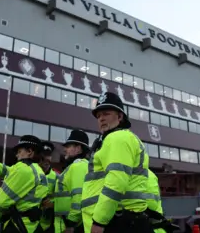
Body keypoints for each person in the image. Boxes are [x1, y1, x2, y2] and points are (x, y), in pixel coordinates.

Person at [81, 92, 152, 233]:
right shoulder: (120, 138)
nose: (101, 119)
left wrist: (99, 221)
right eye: (98, 116)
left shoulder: (117, 138)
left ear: (120, 116)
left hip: (116, 222)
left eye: (106, 114)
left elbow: (116, 182)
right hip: (124, 220)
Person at [0, 135, 49, 233]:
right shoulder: (38, 171)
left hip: (17, 225)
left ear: (29, 152)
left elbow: (1, 203)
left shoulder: (24, 169)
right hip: (31, 225)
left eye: (19, 151)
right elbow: (7, 170)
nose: (16, 155)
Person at [54, 129, 90, 233]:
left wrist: (71, 223)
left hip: (70, 227)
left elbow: (79, 197)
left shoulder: (78, 166)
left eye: (68, 146)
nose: (65, 149)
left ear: (78, 149)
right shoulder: (79, 166)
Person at [39, 141, 58, 233]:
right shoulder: (30, 173)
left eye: (49, 156)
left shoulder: (57, 177)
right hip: (28, 224)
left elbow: (62, 198)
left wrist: (53, 204)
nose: (46, 160)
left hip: (47, 225)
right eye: (44, 157)